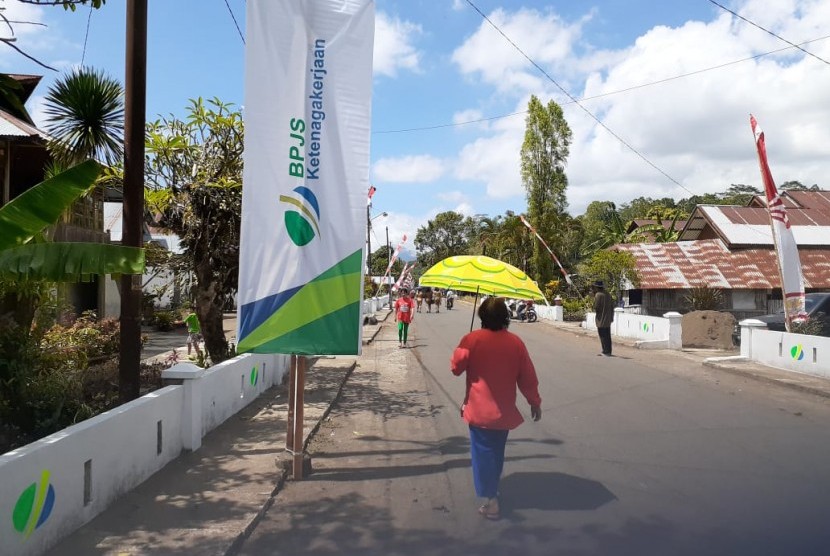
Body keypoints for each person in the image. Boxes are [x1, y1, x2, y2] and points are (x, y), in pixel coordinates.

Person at [450, 297, 542, 521]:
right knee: (496, 452)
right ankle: (493, 489)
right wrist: (534, 401)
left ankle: (491, 501)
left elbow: (455, 368)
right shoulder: (515, 342)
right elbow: (527, 377)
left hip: (479, 412)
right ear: (505, 317)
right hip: (503, 413)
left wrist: (465, 345)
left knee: (482, 454)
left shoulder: (471, 339)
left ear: (482, 317)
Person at [592, 281, 614, 356]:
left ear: (597, 287)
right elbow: (612, 306)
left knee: (602, 335)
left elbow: (596, 307)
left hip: (601, 319)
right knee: (607, 335)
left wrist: (593, 307)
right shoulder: (608, 294)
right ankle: (609, 351)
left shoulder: (598, 295)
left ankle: (605, 351)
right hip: (608, 319)